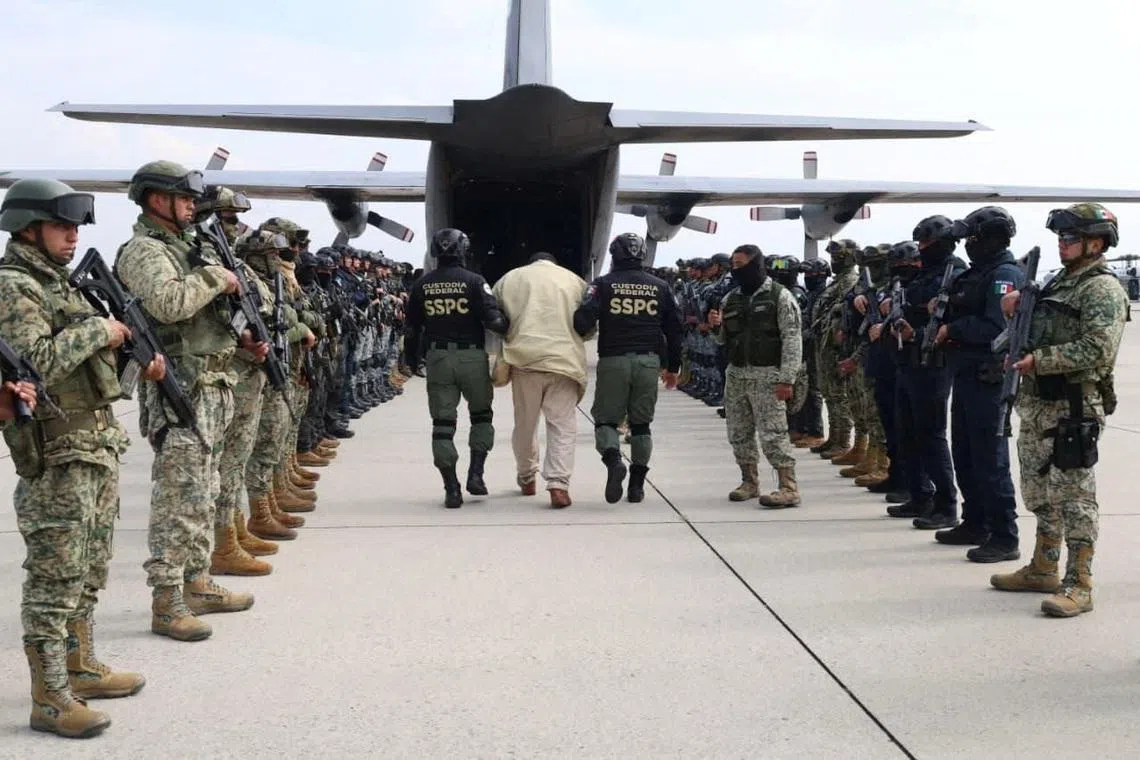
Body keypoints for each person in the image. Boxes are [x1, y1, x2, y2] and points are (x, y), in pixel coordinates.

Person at [0, 178, 163, 737]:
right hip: (57, 454)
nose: (72, 237)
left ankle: (80, 666)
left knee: (88, 569)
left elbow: (99, 380)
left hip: (92, 446)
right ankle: (49, 698)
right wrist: (99, 329)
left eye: (74, 229)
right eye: (61, 227)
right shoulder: (15, 286)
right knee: (54, 578)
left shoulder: (60, 285)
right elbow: (35, 363)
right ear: (28, 227)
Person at [114, 160, 268, 642]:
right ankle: (166, 600)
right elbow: (167, 304)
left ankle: (197, 582)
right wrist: (215, 279)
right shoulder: (144, 250)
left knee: (203, 492)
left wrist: (243, 336)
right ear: (157, 200)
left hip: (216, 384)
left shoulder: (191, 248)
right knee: (178, 499)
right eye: (183, 199)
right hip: (181, 388)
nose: (191, 207)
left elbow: (246, 298)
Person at [991, 203, 1128, 617]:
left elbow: (1098, 349)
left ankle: (1079, 583)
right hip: (1037, 403)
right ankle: (1044, 567)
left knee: (1075, 497)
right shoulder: (1057, 281)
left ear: (1096, 242)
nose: (1062, 244)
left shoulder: (1100, 288)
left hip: (1073, 406)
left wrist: (1040, 360)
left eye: (1070, 238)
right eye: (1061, 237)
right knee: (1037, 491)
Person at [929, 206, 1024, 561]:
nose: (968, 245)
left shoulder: (1004, 275)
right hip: (966, 376)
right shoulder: (974, 274)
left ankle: (1004, 535)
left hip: (989, 380)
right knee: (965, 455)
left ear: (992, 239)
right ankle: (975, 521)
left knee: (990, 460)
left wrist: (953, 329)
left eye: (973, 239)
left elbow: (997, 328)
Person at [573, 232, 683, 503]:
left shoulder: (603, 285)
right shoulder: (660, 286)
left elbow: (582, 323)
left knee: (606, 421)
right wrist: (673, 367)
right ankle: (636, 486)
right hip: (649, 362)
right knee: (642, 425)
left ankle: (613, 462)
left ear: (614, 255)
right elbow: (675, 328)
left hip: (614, 360)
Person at [404, 228, 509, 508]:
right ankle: (476, 474)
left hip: (438, 359)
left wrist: (411, 360)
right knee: (482, 417)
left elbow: (411, 329)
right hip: (471, 358)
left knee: (442, 426)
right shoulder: (475, 282)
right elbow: (494, 321)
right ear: (464, 250)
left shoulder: (422, 285)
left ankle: (451, 488)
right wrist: (509, 328)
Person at [708, 244, 803, 508]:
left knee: (773, 433)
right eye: (732, 265)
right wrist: (715, 326)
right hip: (737, 375)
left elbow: (792, 339)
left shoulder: (780, 296)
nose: (734, 270)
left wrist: (787, 378)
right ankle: (749, 481)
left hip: (768, 375)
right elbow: (722, 339)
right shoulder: (731, 299)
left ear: (754, 264)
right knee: (738, 432)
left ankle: (788, 487)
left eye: (739, 265)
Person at [493, 251, 589, 508]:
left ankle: (526, 477)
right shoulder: (574, 281)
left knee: (525, 424)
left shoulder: (509, 279)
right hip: (564, 361)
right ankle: (558, 484)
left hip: (525, 360)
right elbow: (588, 325)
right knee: (562, 425)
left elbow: (494, 318)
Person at [885, 219, 964, 524]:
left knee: (931, 437)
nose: (921, 250)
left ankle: (946, 505)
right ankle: (920, 497)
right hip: (909, 362)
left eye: (926, 245)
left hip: (932, 364)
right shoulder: (926, 274)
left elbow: (950, 312)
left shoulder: (953, 273)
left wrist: (918, 327)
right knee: (908, 434)